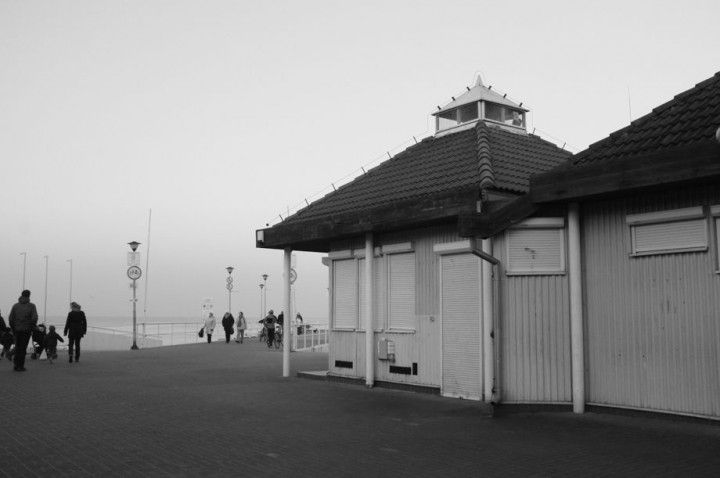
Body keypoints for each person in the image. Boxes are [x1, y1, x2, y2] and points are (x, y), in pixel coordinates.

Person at [8, 290, 39, 372]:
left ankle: (15, 364)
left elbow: (11, 319)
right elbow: (34, 318)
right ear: (29, 296)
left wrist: (13, 328)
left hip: (17, 330)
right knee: (22, 348)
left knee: (17, 347)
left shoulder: (15, 306)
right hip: (26, 330)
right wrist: (32, 327)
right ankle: (20, 366)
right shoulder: (31, 306)